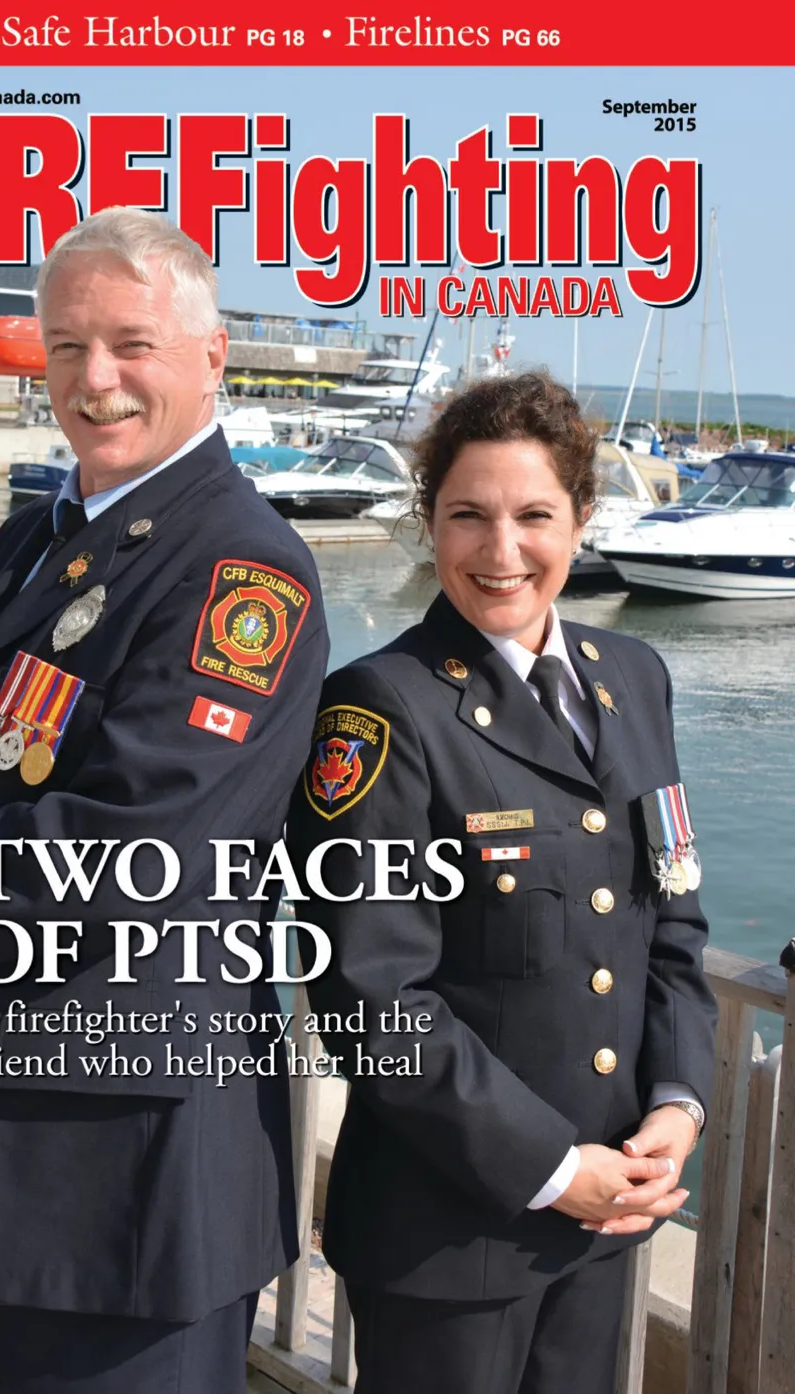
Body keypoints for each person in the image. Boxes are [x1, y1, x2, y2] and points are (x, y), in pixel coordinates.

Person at [0, 208, 329, 1394]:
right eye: (66, 346)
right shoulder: (36, 539)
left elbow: (140, 839)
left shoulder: (240, 570)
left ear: (212, 354)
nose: (96, 380)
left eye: (132, 344)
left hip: (120, 1170)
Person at [284, 371, 717, 1394]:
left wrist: (676, 1103)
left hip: (607, 1216)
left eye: (534, 515)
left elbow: (671, 917)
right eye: (467, 515)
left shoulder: (634, 677)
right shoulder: (377, 710)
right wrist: (556, 1169)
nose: (501, 549)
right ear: (428, 520)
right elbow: (367, 996)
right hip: (448, 1239)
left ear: (582, 517)